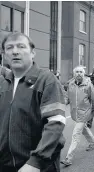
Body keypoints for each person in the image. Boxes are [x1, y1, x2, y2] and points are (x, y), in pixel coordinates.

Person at [0, 32, 66, 172]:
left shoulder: (46, 80)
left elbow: (55, 124)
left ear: (33, 53)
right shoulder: (3, 84)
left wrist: (35, 162)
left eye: (21, 46)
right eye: (9, 48)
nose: (15, 51)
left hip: (38, 167)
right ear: (4, 55)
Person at [60, 66, 94, 166]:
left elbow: (93, 99)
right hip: (74, 113)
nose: (79, 74)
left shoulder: (88, 85)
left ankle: (69, 158)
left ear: (84, 73)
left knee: (76, 134)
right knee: (83, 128)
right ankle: (93, 142)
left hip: (85, 112)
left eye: (81, 72)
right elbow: (67, 97)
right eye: (77, 72)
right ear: (74, 74)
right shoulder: (71, 84)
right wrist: (62, 106)